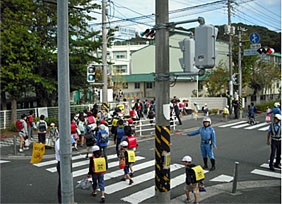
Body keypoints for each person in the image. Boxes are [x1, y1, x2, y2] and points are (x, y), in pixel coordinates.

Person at [55, 136, 61, 203]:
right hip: (61, 163)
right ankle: (61, 201)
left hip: (65, 163)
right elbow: (61, 151)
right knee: (61, 183)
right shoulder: (59, 141)